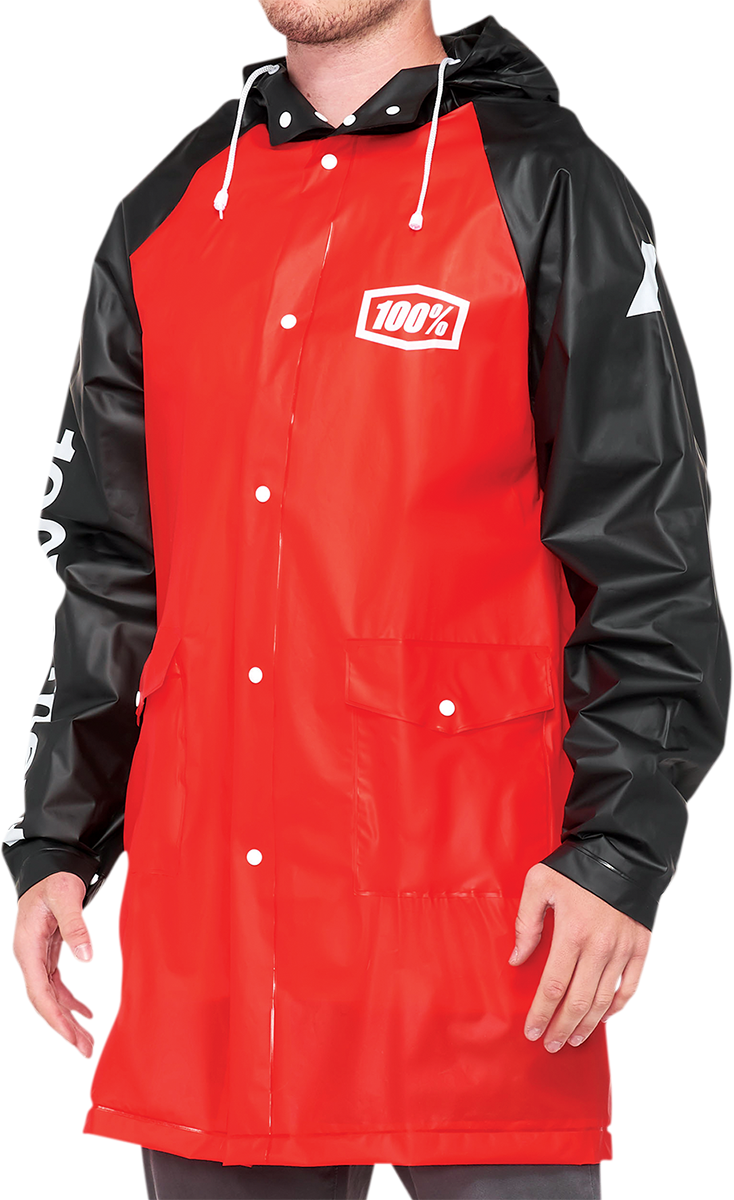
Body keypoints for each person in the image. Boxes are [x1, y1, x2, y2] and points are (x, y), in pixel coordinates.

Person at [3, 3, 731, 1199]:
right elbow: (111, 562)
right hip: (216, 942)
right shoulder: (168, 212)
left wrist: (619, 846)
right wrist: (57, 842)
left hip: (483, 923)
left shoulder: (546, 187)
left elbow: (644, 545)